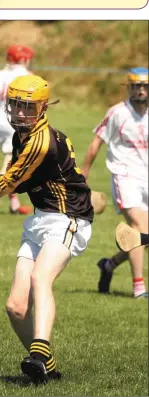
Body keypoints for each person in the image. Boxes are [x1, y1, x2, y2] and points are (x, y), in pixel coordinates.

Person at [0, 74, 94, 384]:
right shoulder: (21, 137)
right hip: (41, 218)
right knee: (15, 307)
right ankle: (48, 369)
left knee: (41, 277)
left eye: (28, 107)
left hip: (68, 218)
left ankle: (39, 353)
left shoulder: (41, 142)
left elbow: (1, 188)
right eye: (15, 105)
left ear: (42, 109)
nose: (19, 112)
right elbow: (15, 182)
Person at [82, 67, 148, 298]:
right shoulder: (117, 113)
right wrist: (84, 175)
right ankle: (139, 288)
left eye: (145, 86)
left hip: (146, 177)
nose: (141, 90)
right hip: (124, 176)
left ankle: (109, 264)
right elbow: (95, 144)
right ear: (128, 87)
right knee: (140, 227)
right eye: (136, 86)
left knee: (144, 236)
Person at [0, 44, 35, 215]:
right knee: (13, 162)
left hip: (1, 123)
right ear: (24, 59)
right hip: (20, 122)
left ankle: (14, 204)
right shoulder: (27, 76)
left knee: (14, 161)